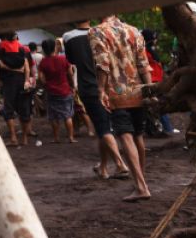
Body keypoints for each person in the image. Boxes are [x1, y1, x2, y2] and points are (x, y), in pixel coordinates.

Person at [90, 15, 152, 202]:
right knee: (138, 135)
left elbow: (103, 63)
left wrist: (101, 89)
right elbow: (143, 63)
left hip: (116, 91)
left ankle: (141, 186)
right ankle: (141, 182)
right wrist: (150, 89)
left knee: (125, 135)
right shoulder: (133, 30)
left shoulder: (97, 31)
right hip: (138, 89)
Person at [64, 21, 129, 179]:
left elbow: (71, 61)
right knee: (103, 127)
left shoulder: (69, 37)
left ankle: (120, 164)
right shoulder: (103, 32)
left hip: (90, 87)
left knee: (103, 128)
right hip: (113, 86)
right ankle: (103, 167)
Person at [0, 33, 30, 146]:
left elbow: (2, 65)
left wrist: (11, 69)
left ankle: (13, 138)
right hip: (21, 80)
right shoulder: (22, 47)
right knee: (24, 109)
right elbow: (27, 68)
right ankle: (24, 138)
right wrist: (26, 80)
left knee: (8, 109)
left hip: (9, 81)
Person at [38, 39, 76, 143]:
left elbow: (41, 78)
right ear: (54, 47)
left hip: (51, 92)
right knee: (67, 115)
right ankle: (71, 137)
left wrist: (46, 85)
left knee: (53, 116)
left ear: (44, 49)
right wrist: (72, 86)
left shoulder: (43, 62)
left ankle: (56, 138)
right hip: (65, 90)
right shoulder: (63, 59)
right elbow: (70, 74)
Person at [141, 30, 178, 135]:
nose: (156, 40)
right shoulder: (146, 52)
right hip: (152, 81)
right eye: (154, 38)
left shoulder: (150, 51)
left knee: (155, 104)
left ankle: (159, 128)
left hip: (157, 80)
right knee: (157, 104)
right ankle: (166, 128)